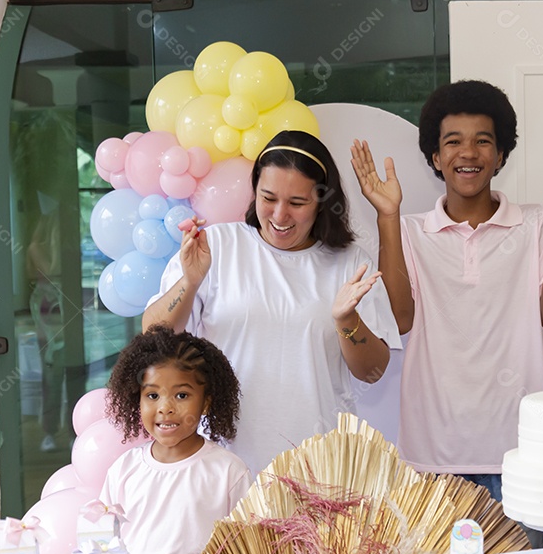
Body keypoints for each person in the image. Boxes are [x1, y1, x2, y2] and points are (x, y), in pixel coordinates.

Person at [351, 80, 543, 535]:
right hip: (432, 461)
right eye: (453, 141)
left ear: (501, 155)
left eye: (484, 140)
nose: (470, 152)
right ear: (436, 158)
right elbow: (401, 320)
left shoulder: (537, 221)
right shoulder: (409, 231)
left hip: (519, 456)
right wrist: (386, 218)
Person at [143, 130, 400, 474]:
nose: (280, 216)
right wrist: (190, 282)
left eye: (297, 203)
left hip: (320, 466)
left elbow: (373, 371)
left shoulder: (351, 262)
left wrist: (347, 322)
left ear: (322, 202)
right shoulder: (217, 246)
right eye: (268, 198)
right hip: (223, 466)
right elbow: (154, 335)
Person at [96, 324, 251, 554]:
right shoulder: (123, 471)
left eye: (181, 395)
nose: (165, 408)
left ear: (207, 401)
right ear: (135, 398)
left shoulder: (229, 471)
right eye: (152, 396)